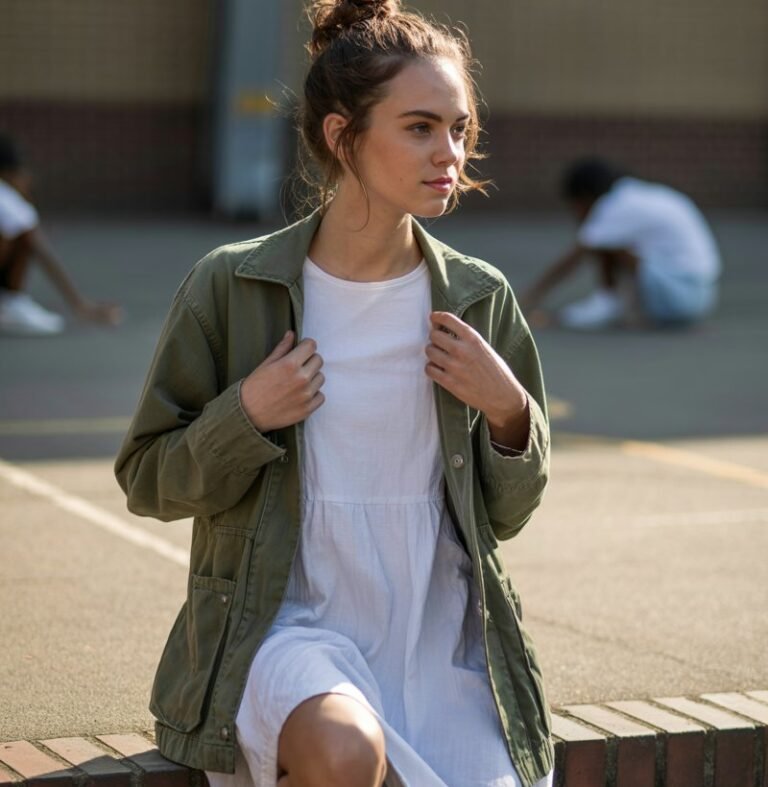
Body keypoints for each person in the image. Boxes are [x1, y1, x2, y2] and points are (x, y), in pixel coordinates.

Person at [115, 2, 553, 785]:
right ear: (341, 135)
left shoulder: (479, 297)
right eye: (419, 127)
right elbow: (147, 478)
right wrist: (243, 416)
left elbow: (507, 515)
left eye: (459, 127)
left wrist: (509, 413)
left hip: (440, 638)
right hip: (284, 626)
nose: (448, 152)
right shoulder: (232, 284)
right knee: (346, 755)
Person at [522, 157, 722, 330]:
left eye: (575, 206)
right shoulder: (634, 195)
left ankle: (606, 305)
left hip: (680, 298)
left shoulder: (614, 207)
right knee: (612, 242)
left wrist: (528, 299)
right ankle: (616, 305)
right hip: (703, 294)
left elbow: (573, 259)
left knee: (608, 245)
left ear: (585, 196)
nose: (576, 214)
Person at [0, 133, 121, 335]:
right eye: (21, 172)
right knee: (23, 233)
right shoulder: (5, 196)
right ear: (9, 174)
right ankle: (10, 303)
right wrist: (79, 304)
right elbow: (36, 243)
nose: (28, 178)